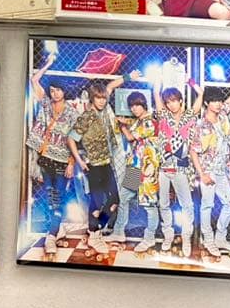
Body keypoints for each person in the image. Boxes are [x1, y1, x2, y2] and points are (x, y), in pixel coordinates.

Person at [26, 52, 79, 254]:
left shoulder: (72, 113)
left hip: (62, 161)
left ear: (64, 91)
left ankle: (50, 237)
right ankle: (58, 231)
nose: (55, 93)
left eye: (58, 90)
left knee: (58, 200)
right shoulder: (46, 104)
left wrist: (71, 163)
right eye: (52, 90)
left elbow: (75, 140)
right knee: (50, 199)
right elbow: (34, 80)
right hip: (45, 158)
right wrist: (48, 63)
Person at [190, 83, 230, 257]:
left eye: (219, 101)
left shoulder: (222, 115)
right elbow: (193, 151)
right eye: (214, 101)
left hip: (223, 170)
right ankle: (208, 240)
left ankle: (220, 238)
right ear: (207, 103)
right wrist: (202, 174)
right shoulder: (202, 125)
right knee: (207, 205)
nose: (218, 104)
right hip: (208, 171)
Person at [67, 81, 122, 257]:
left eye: (103, 98)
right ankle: (94, 234)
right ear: (92, 98)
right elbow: (71, 139)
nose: (102, 101)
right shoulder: (87, 116)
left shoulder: (103, 113)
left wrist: (128, 77)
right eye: (98, 98)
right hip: (94, 166)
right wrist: (79, 161)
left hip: (106, 164)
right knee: (96, 202)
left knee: (114, 200)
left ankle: (95, 229)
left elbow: (110, 87)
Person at [105, 91, 160, 253]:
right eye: (132, 106)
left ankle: (149, 238)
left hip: (147, 170)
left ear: (144, 105)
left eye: (137, 105)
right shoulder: (138, 121)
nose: (134, 109)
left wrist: (122, 126)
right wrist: (125, 122)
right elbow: (131, 126)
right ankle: (118, 232)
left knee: (149, 205)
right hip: (135, 168)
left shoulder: (149, 122)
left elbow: (130, 137)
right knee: (123, 198)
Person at [153, 81, 202, 258]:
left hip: (182, 167)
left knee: (187, 205)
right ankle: (168, 235)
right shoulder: (163, 116)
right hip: (164, 166)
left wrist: (190, 81)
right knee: (163, 203)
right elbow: (156, 94)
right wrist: (158, 81)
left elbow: (200, 94)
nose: (171, 105)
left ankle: (186, 237)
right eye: (168, 102)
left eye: (174, 101)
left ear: (181, 100)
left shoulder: (189, 116)